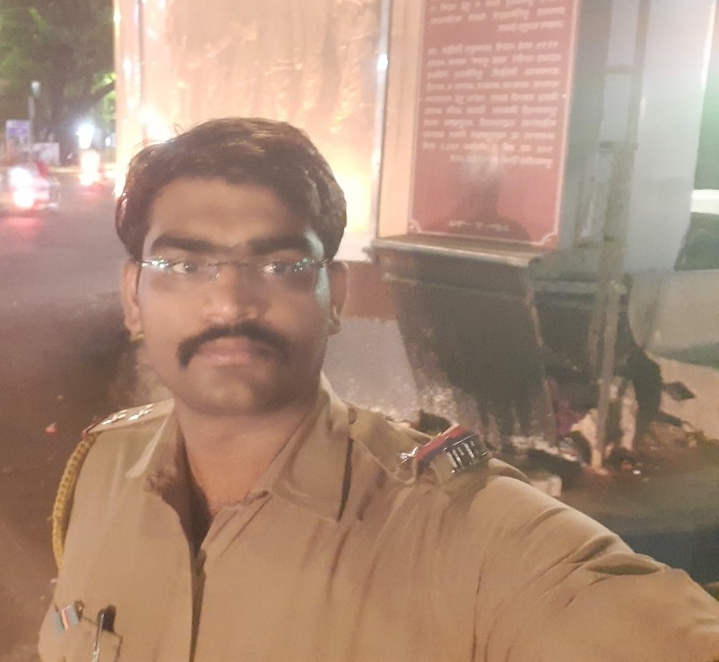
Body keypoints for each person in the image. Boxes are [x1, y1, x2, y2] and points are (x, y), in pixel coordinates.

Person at [39, 117, 719, 661]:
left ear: (335, 295)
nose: (230, 302)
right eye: (184, 265)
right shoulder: (100, 472)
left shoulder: (463, 535)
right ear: (134, 297)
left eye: (279, 264)